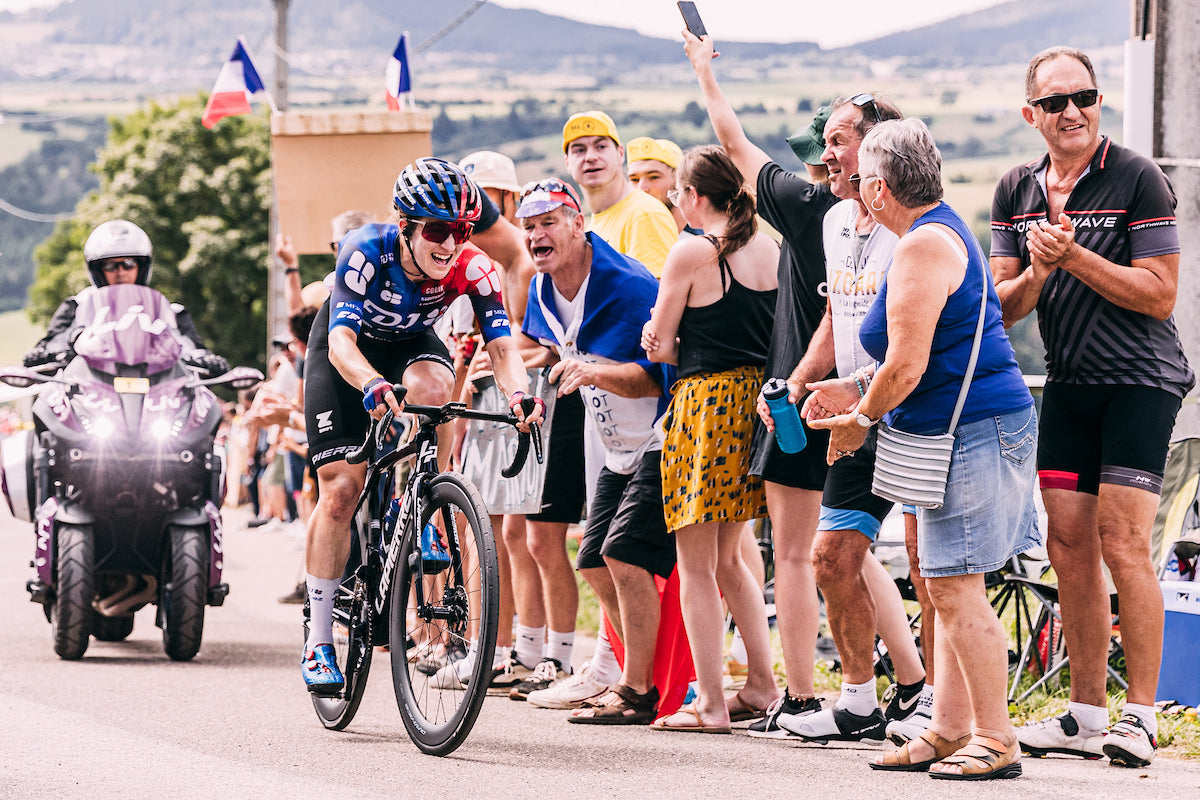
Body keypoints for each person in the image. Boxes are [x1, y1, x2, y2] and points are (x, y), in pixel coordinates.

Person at [683, 30, 923, 741]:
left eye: (835, 141)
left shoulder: (808, 202)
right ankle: (906, 681)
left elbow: (732, 142)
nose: (822, 156)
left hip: (813, 391)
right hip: (838, 387)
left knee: (800, 550)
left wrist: (704, 72)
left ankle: (797, 694)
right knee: (843, 543)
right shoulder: (870, 214)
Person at [809, 117, 1037, 780]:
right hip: (966, 425)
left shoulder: (918, 247)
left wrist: (858, 418)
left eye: (860, 182)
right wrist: (851, 384)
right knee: (944, 583)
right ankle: (948, 728)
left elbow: (906, 366)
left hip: (971, 429)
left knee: (958, 586)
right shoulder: (937, 231)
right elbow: (929, 354)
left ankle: (995, 738)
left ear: (880, 190)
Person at [993, 46, 1193, 769]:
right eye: (1055, 103)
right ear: (1031, 114)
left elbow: (1160, 293)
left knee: (1120, 539)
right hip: (1071, 382)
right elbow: (1003, 305)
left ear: (1098, 103)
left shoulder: (1137, 175)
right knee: (1066, 545)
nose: (1071, 111)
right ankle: (1084, 713)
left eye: (1084, 97)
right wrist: (1041, 270)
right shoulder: (1015, 189)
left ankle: (1138, 716)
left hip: (1142, 379)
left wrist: (1074, 257)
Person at [299, 157, 542, 694]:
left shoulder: (473, 266)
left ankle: (418, 500)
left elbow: (502, 347)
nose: (450, 243)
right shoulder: (366, 250)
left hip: (409, 342)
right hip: (347, 351)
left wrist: (520, 393)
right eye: (436, 230)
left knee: (437, 391)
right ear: (405, 225)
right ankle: (319, 642)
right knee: (341, 489)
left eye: (461, 230)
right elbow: (341, 344)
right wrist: (369, 383)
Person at [762, 93, 930, 747]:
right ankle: (859, 700)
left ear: (879, 145)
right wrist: (799, 382)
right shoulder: (835, 223)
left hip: (915, 411)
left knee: (930, 565)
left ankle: (941, 702)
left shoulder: (913, 225)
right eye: (825, 142)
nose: (825, 154)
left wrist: (855, 388)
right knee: (831, 557)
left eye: (837, 140)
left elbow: (919, 337)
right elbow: (839, 316)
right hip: (858, 413)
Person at [513, 178, 676, 725]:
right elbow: (553, 350)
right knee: (593, 561)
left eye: (548, 222)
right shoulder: (541, 288)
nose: (537, 235)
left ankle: (638, 690)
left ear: (578, 223)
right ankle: (630, 673)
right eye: (529, 226)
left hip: (660, 437)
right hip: (613, 448)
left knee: (623, 557)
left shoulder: (627, 285)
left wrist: (594, 373)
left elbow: (659, 380)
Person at [639, 144, 778, 732]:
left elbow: (663, 342)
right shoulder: (767, 245)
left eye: (676, 195)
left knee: (693, 564)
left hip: (705, 405)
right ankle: (763, 685)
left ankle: (712, 703)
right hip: (757, 402)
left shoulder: (693, 250)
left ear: (695, 197)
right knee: (730, 558)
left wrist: (653, 335)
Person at [24, 219, 227, 376]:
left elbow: (186, 343)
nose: (120, 272)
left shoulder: (168, 311)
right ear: (97, 270)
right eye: (110, 265)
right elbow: (56, 339)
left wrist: (204, 358)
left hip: (159, 392)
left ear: (142, 267)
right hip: (89, 390)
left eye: (129, 263)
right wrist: (47, 352)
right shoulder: (77, 305)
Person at [562, 110, 678, 277]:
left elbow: (654, 298)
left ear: (620, 154)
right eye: (579, 150)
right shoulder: (597, 221)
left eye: (601, 147)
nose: (590, 157)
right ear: (567, 162)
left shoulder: (644, 215)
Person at [626, 137, 698, 236]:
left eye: (654, 177)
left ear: (680, 180)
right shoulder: (628, 235)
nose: (641, 188)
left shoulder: (708, 239)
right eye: (634, 179)